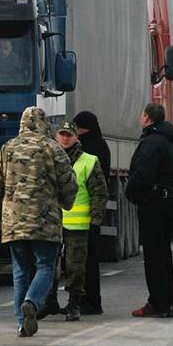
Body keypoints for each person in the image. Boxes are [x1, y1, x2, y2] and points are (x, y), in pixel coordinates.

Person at [0, 107, 78, 338]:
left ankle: (21, 323)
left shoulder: (8, 148)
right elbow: (69, 184)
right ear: (45, 125)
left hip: (14, 222)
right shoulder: (53, 149)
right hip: (46, 221)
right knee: (46, 266)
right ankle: (33, 303)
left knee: (20, 271)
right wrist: (66, 203)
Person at [44, 121, 108, 322]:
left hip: (78, 225)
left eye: (68, 135)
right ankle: (49, 301)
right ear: (56, 137)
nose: (64, 138)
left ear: (76, 137)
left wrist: (95, 219)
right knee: (49, 265)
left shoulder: (89, 161)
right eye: (61, 134)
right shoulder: (48, 160)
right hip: (53, 223)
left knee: (75, 267)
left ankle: (74, 303)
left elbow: (99, 193)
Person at [126, 103, 173, 318]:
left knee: (153, 255)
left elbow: (143, 174)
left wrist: (130, 191)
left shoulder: (151, 143)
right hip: (167, 201)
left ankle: (158, 302)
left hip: (153, 203)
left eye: (142, 114)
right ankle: (167, 300)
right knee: (163, 253)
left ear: (148, 118)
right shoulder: (170, 141)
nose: (140, 118)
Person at [72, 110, 111, 315]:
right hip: (91, 212)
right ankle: (91, 300)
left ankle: (90, 301)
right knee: (89, 260)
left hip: (83, 213)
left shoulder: (87, 148)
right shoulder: (101, 145)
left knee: (84, 262)